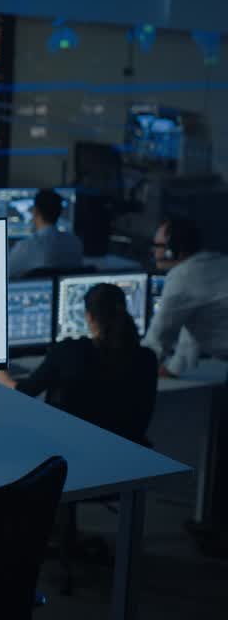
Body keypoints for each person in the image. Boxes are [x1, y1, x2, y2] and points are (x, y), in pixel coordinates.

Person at [141, 216, 228, 557]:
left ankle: (215, 529)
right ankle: (211, 522)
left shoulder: (182, 277)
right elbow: (197, 325)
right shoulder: (214, 264)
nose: (154, 250)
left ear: (175, 249)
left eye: (159, 245)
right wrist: (177, 367)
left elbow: (154, 343)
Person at [4, 283, 157, 442]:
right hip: (129, 454)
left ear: (88, 316)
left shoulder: (68, 351)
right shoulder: (147, 358)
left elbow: (24, 392)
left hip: (73, 451)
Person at [6, 188, 85, 278]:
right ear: (59, 213)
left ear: (35, 211)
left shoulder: (25, 247)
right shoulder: (75, 243)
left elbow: (6, 274)